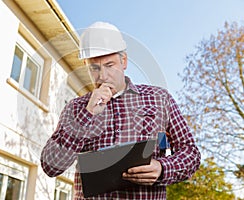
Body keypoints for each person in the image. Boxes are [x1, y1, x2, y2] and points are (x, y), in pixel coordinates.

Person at [41, 21, 201, 199]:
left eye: (110, 65)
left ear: (123, 61)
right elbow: (51, 165)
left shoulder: (159, 99)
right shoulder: (76, 107)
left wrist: (163, 168)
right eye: (94, 68)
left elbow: (190, 153)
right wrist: (87, 115)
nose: (102, 76)